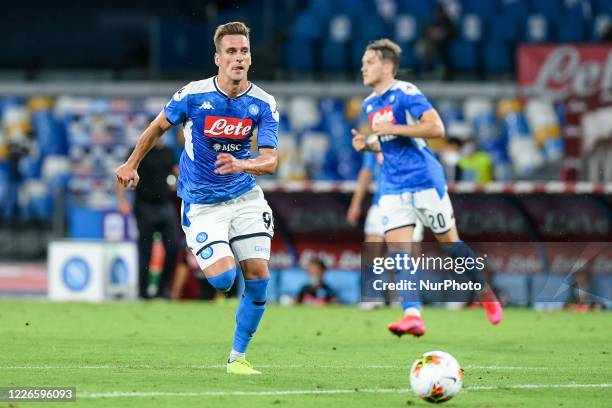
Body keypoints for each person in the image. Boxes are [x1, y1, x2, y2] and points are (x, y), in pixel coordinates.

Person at [115, 22, 279, 375]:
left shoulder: (263, 103)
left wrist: (242, 163)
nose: (239, 57)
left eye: (244, 51)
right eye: (231, 52)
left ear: (250, 58)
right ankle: (215, 248)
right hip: (203, 204)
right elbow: (158, 126)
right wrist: (131, 163)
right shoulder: (192, 95)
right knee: (223, 280)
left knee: (259, 279)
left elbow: (271, 159)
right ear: (217, 58)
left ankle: (238, 357)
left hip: (246, 198)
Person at [351, 39, 502, 338]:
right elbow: (389, 142)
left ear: (386, 65)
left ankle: (484, 292)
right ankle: (412, 315)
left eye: (369, 62)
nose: (363, 67)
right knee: (399, 252)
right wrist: (368, 145)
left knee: (451, 246)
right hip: (393, 186)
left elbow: (436, 129)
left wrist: (392, 129)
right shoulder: (370, 104)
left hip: (424, 179)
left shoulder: (407, 93)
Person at [117, 137, 179, 300]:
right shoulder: (138, 151)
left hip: (165, 204)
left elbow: (176, 171)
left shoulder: (168, 152)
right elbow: (123, 172)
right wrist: (122, 200)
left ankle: (162, 288)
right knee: (146, 250)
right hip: (144, 205)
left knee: (173, 247)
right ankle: (143, 292)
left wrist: (181, 182)